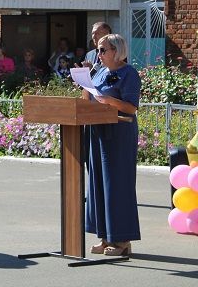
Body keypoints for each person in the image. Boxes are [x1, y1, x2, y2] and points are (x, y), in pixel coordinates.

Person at [81, 34, 141, 257]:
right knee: (99, 185)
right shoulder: (100, 72)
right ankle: (106, 237)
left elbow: (131, 107)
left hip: (119, 133)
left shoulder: (129, 73)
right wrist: (84, 80)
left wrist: (109, 101)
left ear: (117, 51)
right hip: (98, 131)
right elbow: (86, 99)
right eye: (98, 50)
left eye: (103, 50)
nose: (99, 54)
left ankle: (122, 241)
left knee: (117, 185)